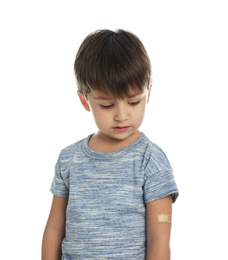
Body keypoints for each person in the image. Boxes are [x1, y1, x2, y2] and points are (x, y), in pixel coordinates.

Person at [42, 29, 179, 260]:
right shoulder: (69, 159)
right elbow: (55, 228)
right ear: (85, 100)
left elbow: (159, 240)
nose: (122, 115)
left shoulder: (151, 160)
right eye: (107, 105)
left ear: (148, 94)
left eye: (134, 101)